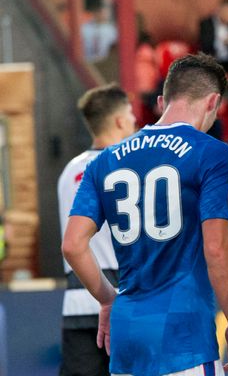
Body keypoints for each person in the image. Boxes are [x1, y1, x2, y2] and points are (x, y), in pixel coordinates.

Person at [62, 54, 228, 375]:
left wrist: (107, 299)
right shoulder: (213, 153)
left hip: (127, 336)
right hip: (184, 333)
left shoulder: (104, 161)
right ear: (213, 102)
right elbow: (216, 249)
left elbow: (73, 245)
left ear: (161, 102)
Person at [57, 84, 135, 376]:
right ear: (118, 121)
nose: (134, 122)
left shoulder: (69, 171)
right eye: (130, 115)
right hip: (123, 293)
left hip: (77, 300)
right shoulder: (128, 166)